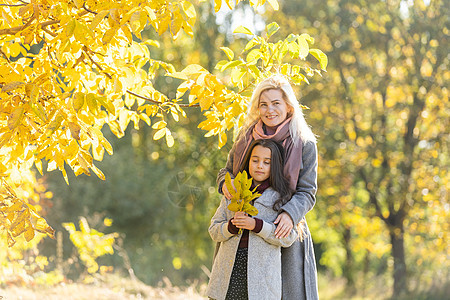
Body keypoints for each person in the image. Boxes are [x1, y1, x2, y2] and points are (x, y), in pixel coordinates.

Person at [216, 75, 319, 300]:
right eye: (263, 104)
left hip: (281, 228)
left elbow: (308, 191)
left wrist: (290, 214)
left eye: (276, 103)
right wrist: (226, 183)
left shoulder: (304, 142)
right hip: (243, 228)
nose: (269, 110)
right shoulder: (245, 137)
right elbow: (226, 172)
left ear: (289, 106)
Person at [208, 139, 298, 300]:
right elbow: (214, 230)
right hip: (228, 275)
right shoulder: (233, 192)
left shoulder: (281, 197)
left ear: (275, 165)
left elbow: (289, 237)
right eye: (255, 160)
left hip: (262, 282)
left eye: (266, 162)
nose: (259, 166)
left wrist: (256, 225)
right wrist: (231, 227)